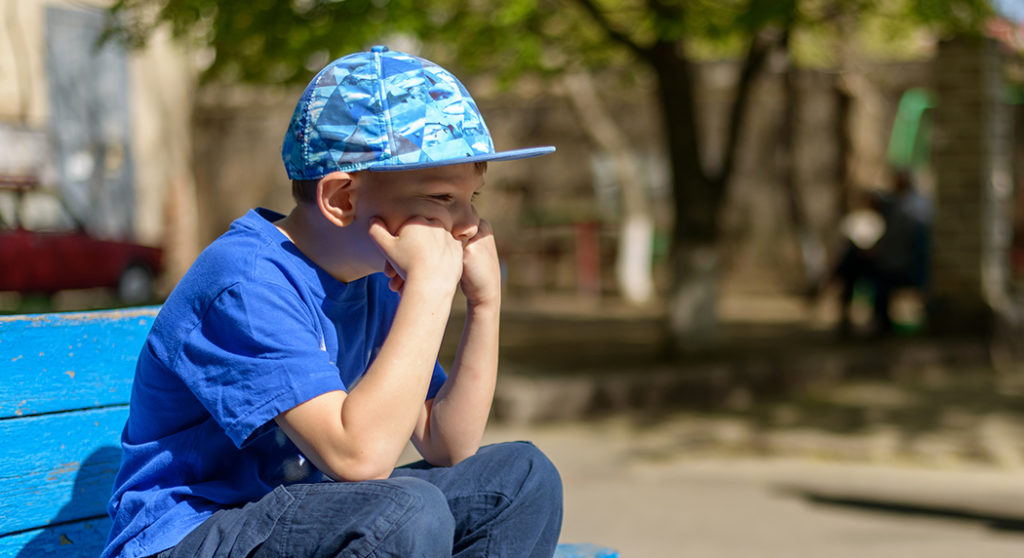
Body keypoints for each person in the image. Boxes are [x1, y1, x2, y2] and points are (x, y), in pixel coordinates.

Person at [102, 46, 563, 558]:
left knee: (521, 478)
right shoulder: (246, 283)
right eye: (441, 199)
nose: (468, 226)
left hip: (304, 522)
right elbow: (359, 458)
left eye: (471, 199)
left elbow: (447, 442)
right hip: (186, 536)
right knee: (404, 512)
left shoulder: (373, 278)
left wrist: (484, 303)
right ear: (342, 199)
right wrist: (431, 287)